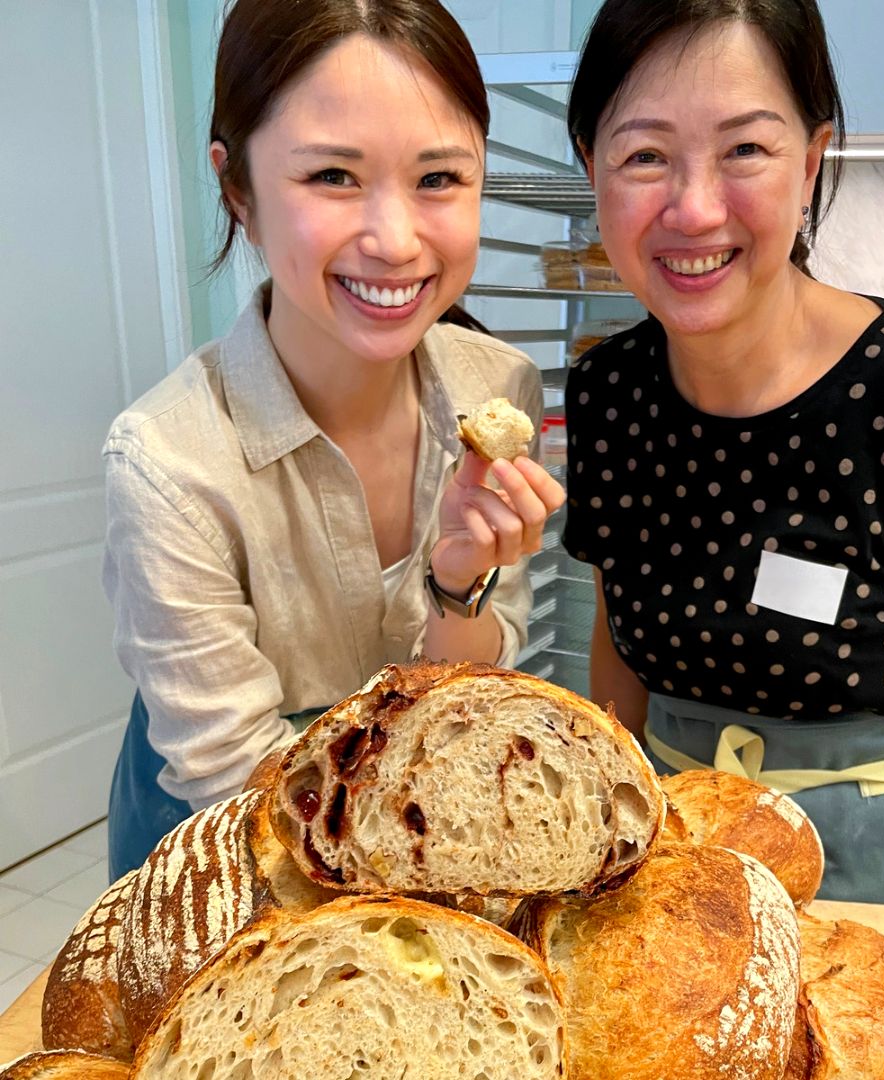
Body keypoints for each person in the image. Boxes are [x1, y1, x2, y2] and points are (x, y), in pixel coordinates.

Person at [562, 0, 884, 952]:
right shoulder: (607, 392)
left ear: (811, 159)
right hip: (670, 870)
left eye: (744, 150)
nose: (694, 208)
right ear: (593, 169)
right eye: (645, 155)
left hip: (879, 891)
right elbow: (616, 659)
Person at [104, 0, 564, 881]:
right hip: (235, 836)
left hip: (410, 816)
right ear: (236, 187)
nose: (395, 242)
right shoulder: (168, 463)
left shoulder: (496, 388)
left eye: (439, 180)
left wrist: (460, 586)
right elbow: (235, 777)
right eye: (333, 177)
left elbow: (474, 677)